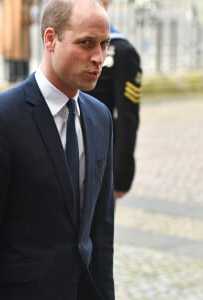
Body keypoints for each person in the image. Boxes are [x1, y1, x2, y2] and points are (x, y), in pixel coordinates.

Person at [0, 0, 115, 299]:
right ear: (50, 39)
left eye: (104, 44)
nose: (98, 57)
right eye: (86, 43)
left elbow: (101, 232)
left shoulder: (99, 117)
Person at [86, 0, 142, 200]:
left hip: (99, 161)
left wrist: (120, 175)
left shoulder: (122, 51)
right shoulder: (65, 43)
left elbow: (127, 118)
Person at [0, 0, 40, 83]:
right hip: (14, 23)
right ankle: (17, 78)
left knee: (15, 53)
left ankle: (16, 78)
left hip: (14, 24)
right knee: (16, 53)